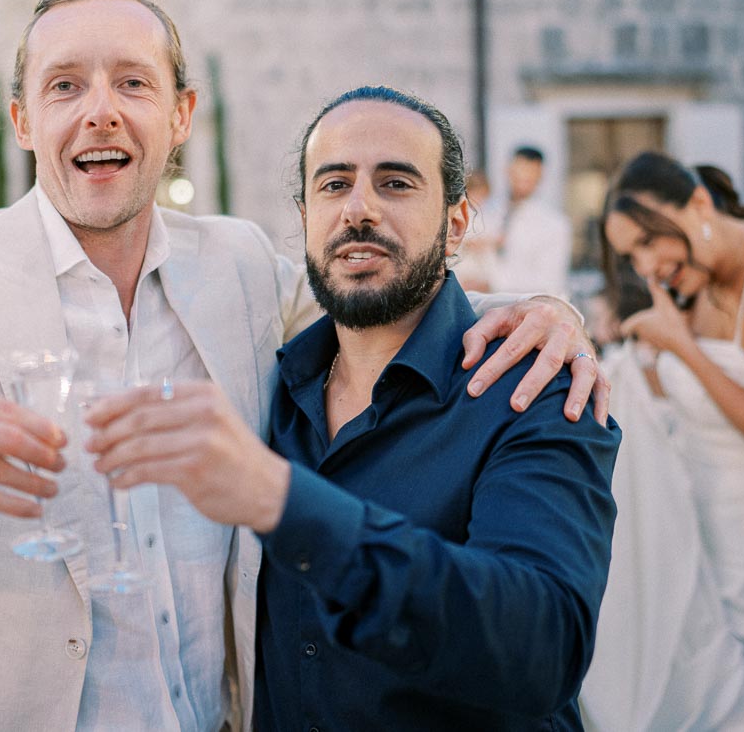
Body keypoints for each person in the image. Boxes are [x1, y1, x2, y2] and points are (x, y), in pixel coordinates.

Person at [0, 0, 606, 731]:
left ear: (180, 116)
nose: (100, 111)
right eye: (65, 84)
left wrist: (547, 307)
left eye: (133, 83)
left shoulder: (237, 268)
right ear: (24, 121)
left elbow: (377, 284)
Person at [85, 86, 620, 729]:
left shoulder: (534, 390)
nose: (358, 210)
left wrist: (287, 504)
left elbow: (543, 650)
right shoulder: (268, 392)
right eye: (334, 185)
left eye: (395, 183)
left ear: (455, 224)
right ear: (306, 214)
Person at [598, 151, 744, 729]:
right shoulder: (699, 280)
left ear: (698, 204)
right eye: (633, 255)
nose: (648, 267)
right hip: (705, 524)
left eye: (650, 242)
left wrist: (681, 346)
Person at [488, 145, 572, 297]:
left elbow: (549, 282)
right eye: (519, 172)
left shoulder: (554, 224)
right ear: (508, 170)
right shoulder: (486, 211)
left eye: (529, 174)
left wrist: (491, 283)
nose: (523, 179)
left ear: (540, 176)